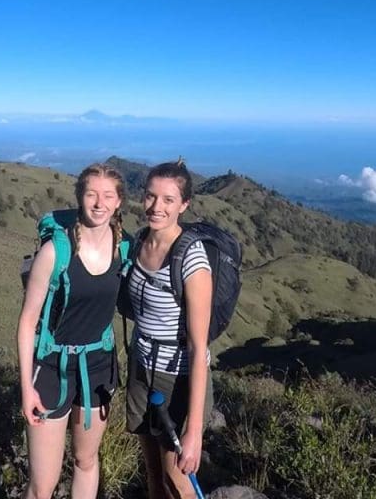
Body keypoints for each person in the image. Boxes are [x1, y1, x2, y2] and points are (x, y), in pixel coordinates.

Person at [17, 163, 130, 499]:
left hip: (98, 367)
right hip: (51, 368)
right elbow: (26, 323)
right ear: (80, 197)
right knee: (43, 484)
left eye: (108, 195)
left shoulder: (124, 249)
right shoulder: (56, 252)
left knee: (85, 460)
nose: (99, 203)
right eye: (91, 194)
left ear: (119, 202)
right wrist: (27, 388)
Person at [125, 160, 213, 499]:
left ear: (184, 205)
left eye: (168, 200)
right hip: (140, 368)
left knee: (178, 480)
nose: (156, 207)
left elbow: (198, 347)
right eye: (150, 196)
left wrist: (194, 431)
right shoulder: (139, 242)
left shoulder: (191, 259)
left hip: (177, 378)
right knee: (152, 471)